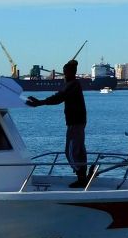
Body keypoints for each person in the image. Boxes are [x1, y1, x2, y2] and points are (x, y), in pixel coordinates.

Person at [26, 59, 89, 188]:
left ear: (71, 72)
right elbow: (60, 96)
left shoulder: (73, 85)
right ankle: (82, 175)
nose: (64, 75)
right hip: (76, 122)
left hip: (75, 122)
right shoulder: (72, 84)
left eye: (66, 73)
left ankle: (82, 178)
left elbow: (59, 97)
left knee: (72, 150)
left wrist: (40, 102)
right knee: (76, 149)